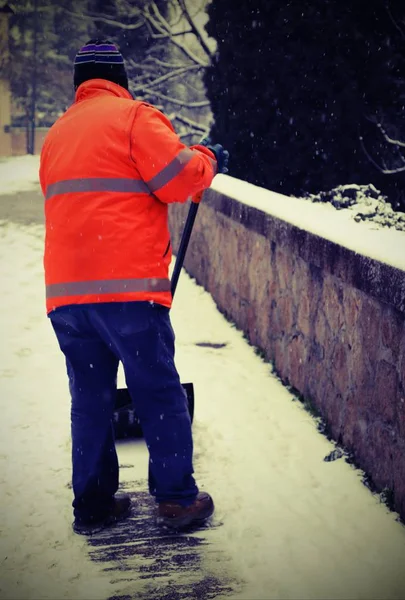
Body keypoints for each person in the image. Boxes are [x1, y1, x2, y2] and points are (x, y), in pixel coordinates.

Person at [39, 39, 229, 535]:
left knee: (91, 398)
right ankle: (175, 499)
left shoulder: (57, 133)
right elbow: (179, 178)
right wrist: (207, 158)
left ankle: (95, 504)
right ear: (120, 78)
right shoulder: (133, 117)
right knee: (157, 391)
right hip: (126, 290)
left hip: (67, 296)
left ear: (78, 82)